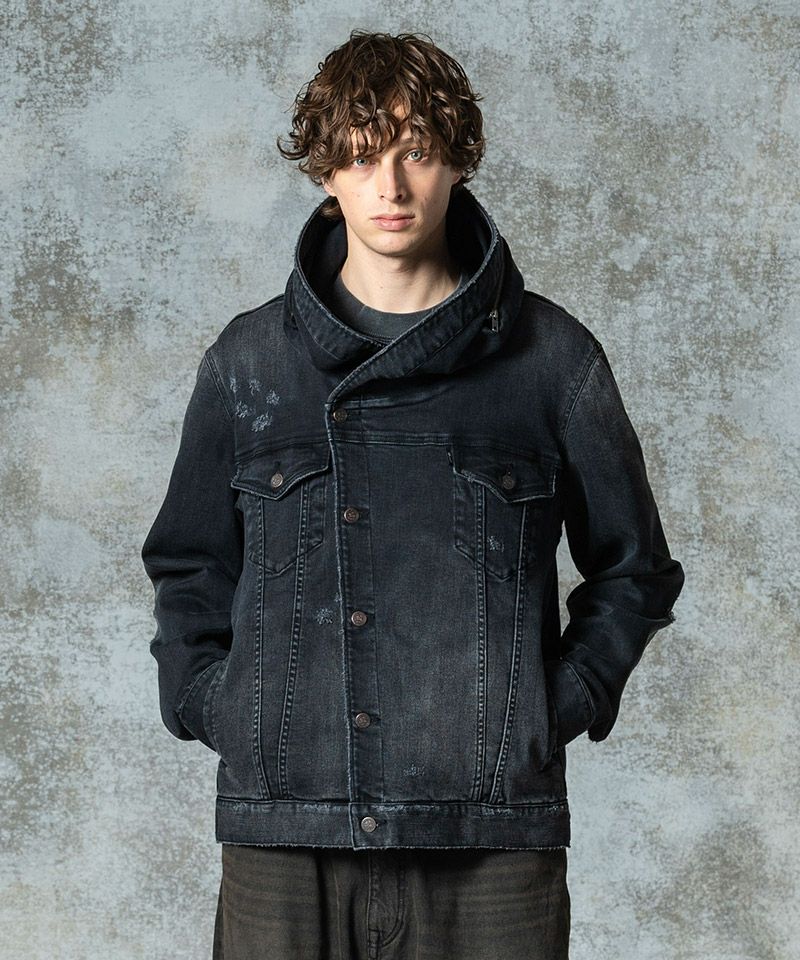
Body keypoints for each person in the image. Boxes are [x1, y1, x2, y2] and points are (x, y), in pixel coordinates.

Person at [141, 29, 685, 960]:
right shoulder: (248, 363)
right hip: (287, 825)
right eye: (361, 156)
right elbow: (188, 564)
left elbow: (634, 572)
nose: (390, 187)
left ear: (458, 161)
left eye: (417, 152)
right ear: (325, 173)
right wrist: (221, 705)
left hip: (491, 835)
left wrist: (546, 708)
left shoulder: (554, 361)